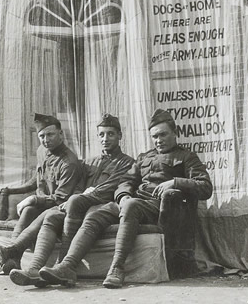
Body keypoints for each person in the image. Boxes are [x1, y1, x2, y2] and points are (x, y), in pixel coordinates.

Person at [39, 108, 212, 289]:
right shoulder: (144, 157)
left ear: (175, 134)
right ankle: (67, 266)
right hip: (134, 202)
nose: (159, 140)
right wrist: (123, 196)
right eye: (155, 137)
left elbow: (205, 187)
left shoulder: (186, 157)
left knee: (131, 206)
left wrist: (175, 182)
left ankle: (117, 268)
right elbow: (126, 181)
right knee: (97, 213)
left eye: (163, 135)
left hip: (160, 206)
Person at [7, 113, 134, 287]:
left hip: (103, 206)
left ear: (119, 136)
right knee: (51, 216)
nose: (105, 138)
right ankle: (35, 269)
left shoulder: (127, 163)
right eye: (101, 134)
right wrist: (78, 196)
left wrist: (82, 197)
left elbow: (110, 187)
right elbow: (79, 185)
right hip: (80, 207)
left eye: (111, 134)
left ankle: (62, 266)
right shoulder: (90, 162)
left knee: (73, 204)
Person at [0, 113, 84, 273]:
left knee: (31, 207)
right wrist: (12, 190)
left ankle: (13, 252)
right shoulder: (42, 151)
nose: (46, 139)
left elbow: (61, 198)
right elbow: (37, 180)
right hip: (43, 205)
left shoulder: (69, 162)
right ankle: (12, 257)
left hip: (61, 208)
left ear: (61, 134)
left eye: (50, 134)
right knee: (28, 209)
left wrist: (34, 199)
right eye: (42, 136)